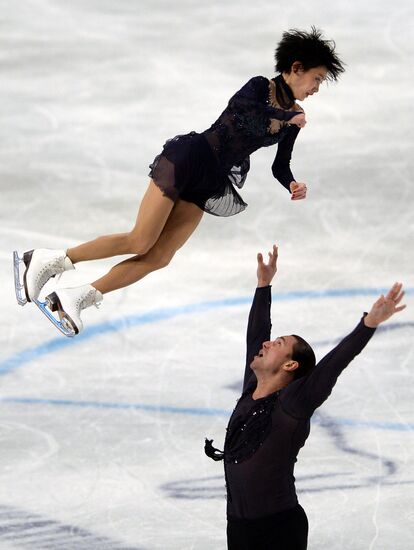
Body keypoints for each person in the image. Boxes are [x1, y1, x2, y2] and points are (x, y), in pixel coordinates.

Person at [14, 28, 345, 335]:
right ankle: (48, 259)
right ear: (296, 68)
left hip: (212, 180)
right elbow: (246, 109)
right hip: (190, 159)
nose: (316, 88)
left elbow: (280, 165)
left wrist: (291, 183)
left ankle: (78, 297)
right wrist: (288, 116)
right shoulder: (261, 87)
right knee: (140, 240)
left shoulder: (293, 118)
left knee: (160, 256)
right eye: (316, 78)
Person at [205, 245, 406, 550]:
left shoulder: (292, 405)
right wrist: (263, 285)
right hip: (238, 529)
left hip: (279, 529)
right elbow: (257, 333)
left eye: (279, 343)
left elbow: (333, 364)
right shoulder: (251, 389)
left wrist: (369, 324)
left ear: (290, 365)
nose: (267, 343)